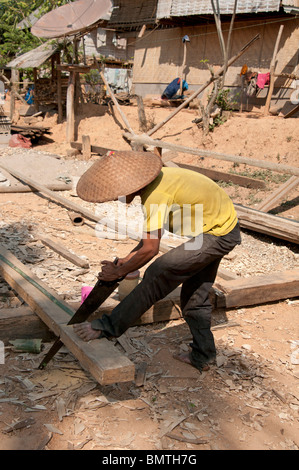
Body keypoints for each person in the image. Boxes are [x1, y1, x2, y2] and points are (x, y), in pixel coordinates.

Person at [73, 151, 241, 372]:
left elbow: (150, 250)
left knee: (158, 272)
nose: (117, 198)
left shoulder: (155, 196)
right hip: (216, 229)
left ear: (132, 186)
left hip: (217, 234)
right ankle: (203, 356)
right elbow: (147, 242)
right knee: (195, 297)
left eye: (119, 193)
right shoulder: (160, 181)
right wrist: (124, 263)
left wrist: (118, 273)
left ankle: (107, 327)